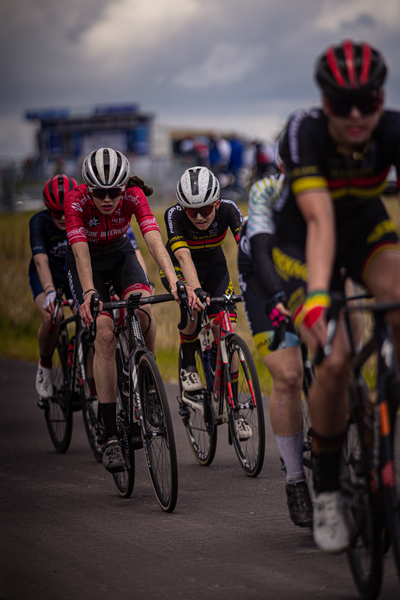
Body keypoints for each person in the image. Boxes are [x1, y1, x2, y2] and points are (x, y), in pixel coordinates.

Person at [271, 40, 400, 553]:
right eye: (340, 103)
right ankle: (325, 490)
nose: (353, 115)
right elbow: (320, 220)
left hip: (365, 227)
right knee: (335, 358)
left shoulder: (393, 129)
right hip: (303, 239)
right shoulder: (305, 130)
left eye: (365, 103)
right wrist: (320, 299)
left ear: (381, 98)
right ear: (323, 102)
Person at [64, 148, 197, 473]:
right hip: (88, 261)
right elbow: (80, 253)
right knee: (106, 334)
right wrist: (90, 293)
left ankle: (148, 384)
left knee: (143, 309)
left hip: (121, 254)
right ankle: (110, 434)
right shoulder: (75, 201)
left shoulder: (134, 195)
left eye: (114, 192)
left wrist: (173, 281)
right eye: (100, 193)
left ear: (124, 187)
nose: (108, 199)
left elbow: (153, 239)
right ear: (88, 188)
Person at [238, 137, 313, 528]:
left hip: (306, 271)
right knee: (288, 375)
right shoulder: (267, 191)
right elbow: (265, 255)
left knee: (337, 356)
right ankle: (296, 480)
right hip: (262, 276)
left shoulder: (332, 187)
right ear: (283, 165)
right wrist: (281, 299)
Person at [160, 166, 251, 439]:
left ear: (217, 202)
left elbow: (247, 246)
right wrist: (194, 290)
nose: (199, 216)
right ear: (182, 207)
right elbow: (184, 259)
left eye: (206, 209)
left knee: (228, 334)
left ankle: (234, 411)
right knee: (191, 307)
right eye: (191, 210)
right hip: (181, 268)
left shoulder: (229, 209)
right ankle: (189, 364)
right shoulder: (173, 215)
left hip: (215, 268)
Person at [29, 174, 77, 400]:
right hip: (46, 274)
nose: (62, 217)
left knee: (93, 319)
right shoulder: (39, 222)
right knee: (52, 317)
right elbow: (40, 260)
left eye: (66, 211)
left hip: (71, 274)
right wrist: (49, 290)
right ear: (48, 209)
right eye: (56, 213)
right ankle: (45, 365)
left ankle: (90, 381)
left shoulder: (81, 219)